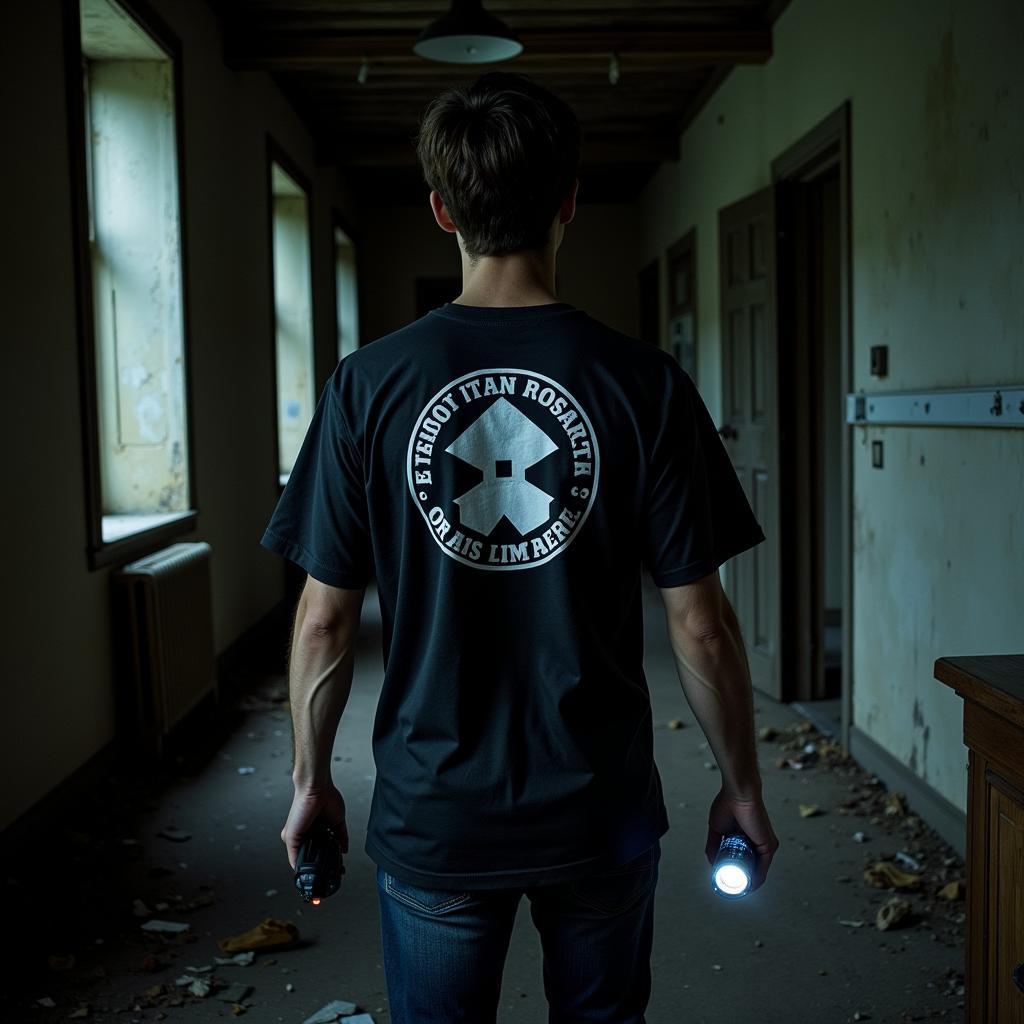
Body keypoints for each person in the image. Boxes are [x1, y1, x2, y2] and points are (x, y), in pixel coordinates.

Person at [260, 69, 779, 1024]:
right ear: (571, 201)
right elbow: (699, 626)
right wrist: (740, 789)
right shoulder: (644, 384)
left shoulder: (366, 387)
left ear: (440, 209)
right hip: (601, 810)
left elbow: (325, 618)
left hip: (435, 815)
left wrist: (309, 783)